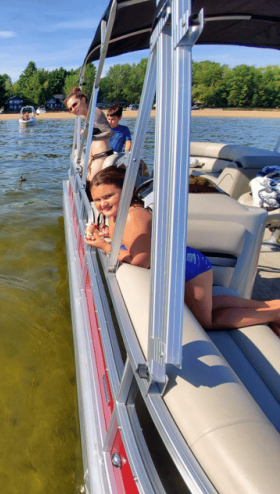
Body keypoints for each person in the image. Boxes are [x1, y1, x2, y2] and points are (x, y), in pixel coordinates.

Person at [84, 166, 280, 334]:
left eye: (109, 196)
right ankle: (271, 305)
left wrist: (104, 245)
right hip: (184, 260)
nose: (103, 204)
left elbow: (141, 261)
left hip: (188, 269)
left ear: (130, 191)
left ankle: (274, 314)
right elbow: (126, 236)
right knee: (209, 303)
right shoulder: (117, 213)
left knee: (206, 321)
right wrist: (105, 232)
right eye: (98, 199)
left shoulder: (134, 217)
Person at [64, 87, 114, 180]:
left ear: (83, 100)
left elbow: (110, 132)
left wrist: (91, 137)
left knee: (90, 182)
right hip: (95, 156)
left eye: (75, 104)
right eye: (70, 109)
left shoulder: (94, 113)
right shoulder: (88, 115)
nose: (73, 109)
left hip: (102, 155)